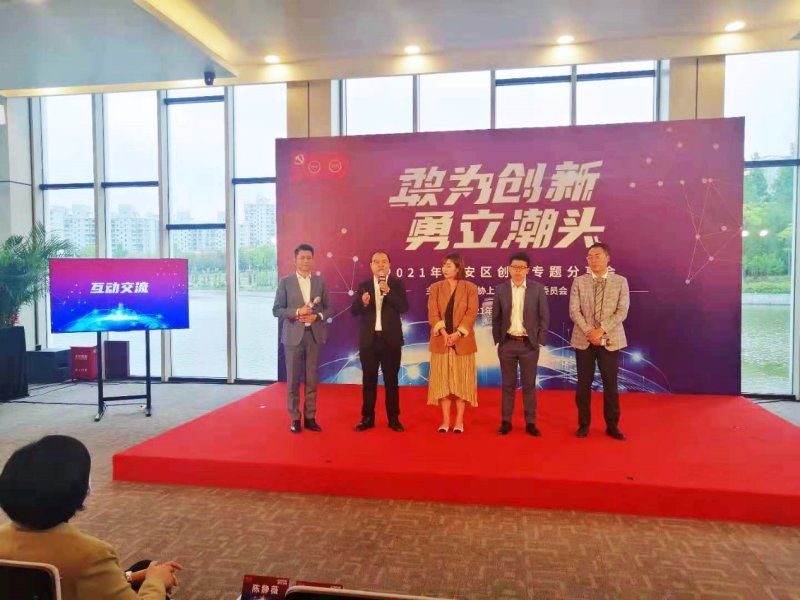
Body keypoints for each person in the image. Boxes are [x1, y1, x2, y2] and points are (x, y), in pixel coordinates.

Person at [0, 435, 181, 600]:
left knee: (144, 566)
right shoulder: (90, 554)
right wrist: (156, 581)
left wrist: (132, 577)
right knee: (154, 577)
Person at [569, 242, 630, 440]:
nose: (593, 260)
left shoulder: (620, 281)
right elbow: (574, 311)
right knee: (583, 384)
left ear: (607, 258)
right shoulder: (579, 281)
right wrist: (590, 332)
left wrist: (601, 330)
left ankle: (612, 426)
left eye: (597, 256)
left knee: (610, 384)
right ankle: (583, 424)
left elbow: (622, 311)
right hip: (584, 340)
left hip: (610, 340)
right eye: (590, 257)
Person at [272, 243, 331, 433]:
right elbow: (277, 310)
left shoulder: (320, 282)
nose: (306, 261)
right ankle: (295, 418)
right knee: (293, 380)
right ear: (295, 260)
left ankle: (310, 417)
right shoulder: (285, 282)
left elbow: (329, 308)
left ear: (313, 260)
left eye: (309, 258)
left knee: (312, 379)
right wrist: (297, 311)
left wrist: (317, 316)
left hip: (314, 336)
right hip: (292, 338)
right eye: (302, 258)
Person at [491, 252, 549, 436]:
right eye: (514, 267)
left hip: (529, 345)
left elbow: (544, 316)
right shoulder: (500, 289)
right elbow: (495, 317)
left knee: (529, 385)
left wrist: (539, 341)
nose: (517, 271)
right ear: (509, 268)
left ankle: (530, 423)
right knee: (507, 385)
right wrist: (498, 340)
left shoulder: (537, 289)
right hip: (507, 343)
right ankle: (506, 421)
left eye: (521, 267)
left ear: (527, 270)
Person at [350, 250, 409, 432]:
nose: (380, 265)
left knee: (391, 382)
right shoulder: (364, 285)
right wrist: (363, 302)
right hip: (369, 341)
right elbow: (354, 311)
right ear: (371, 266)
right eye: (376, 262)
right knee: (369, 381)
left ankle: (393, 418)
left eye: (384, 261)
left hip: (391, 341)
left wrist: (388, 291)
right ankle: (367, 418)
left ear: (389, 265)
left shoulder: (397, 284)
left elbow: (403, 307)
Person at [426, 253, 479, 433]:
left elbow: (471, 313)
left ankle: (459, 421)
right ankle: (445, 421)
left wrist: (457, 333)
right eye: (444, 265)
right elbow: (433, 313)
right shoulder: (435, 288)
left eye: (449, 265)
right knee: (443, 383)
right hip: (441, 341)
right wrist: (443, 333)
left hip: (462, 342)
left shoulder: (470, 288)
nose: (445, 269)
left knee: (462, 384)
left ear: (458, 268)